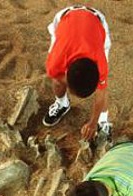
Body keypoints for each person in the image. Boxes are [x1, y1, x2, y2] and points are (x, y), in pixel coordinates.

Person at [43, 5, 113, 141]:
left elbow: (101, 92)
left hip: (96, 22)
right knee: (56, 81)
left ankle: (103, 121)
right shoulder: (55, 63)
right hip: (65, 18)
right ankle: (62, 103)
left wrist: (93, 123)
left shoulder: (100, 64)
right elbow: (58, 79)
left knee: (103, 88)